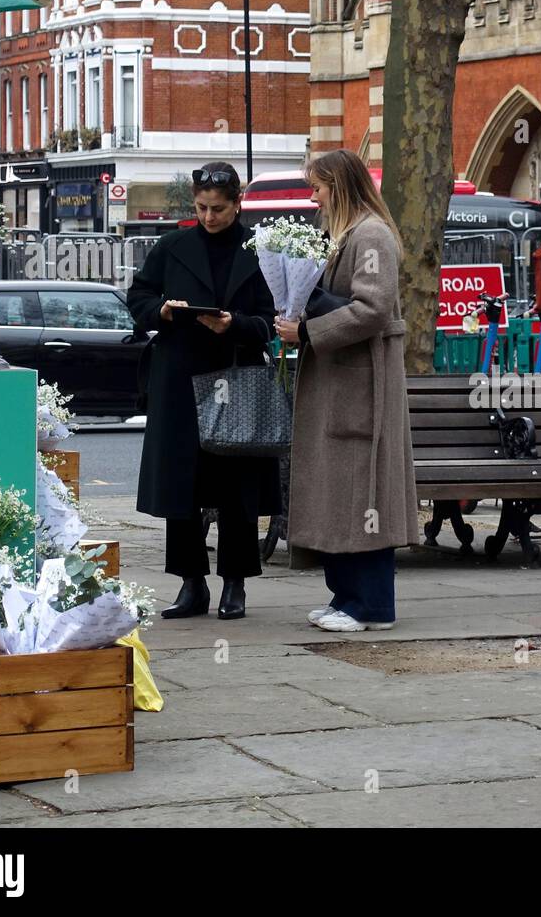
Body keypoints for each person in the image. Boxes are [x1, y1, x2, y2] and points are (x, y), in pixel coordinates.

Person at [127, 161, 281, 621]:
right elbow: (138, 299)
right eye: (201, 208)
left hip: (237, 376)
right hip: (179, 378)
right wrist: (165, 312)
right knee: (182, 487)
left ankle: (235, 585)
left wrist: (236, 325)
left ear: (238, 203)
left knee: (237, 489)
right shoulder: (173, 245)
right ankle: (191, 584)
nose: (209, 217)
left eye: (218, 209)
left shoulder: (261, 249)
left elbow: (272, 318)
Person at [274, 149, 419, 632]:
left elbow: (373, 308)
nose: (312, 196)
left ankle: (370, 606)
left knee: (362, 492)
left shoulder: (370, 234)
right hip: (343, 378)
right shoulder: (347, 233)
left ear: (340, 186)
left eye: (318, 186)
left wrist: (310, 332)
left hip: (361, 382)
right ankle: (346, 597)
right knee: (339, 492)